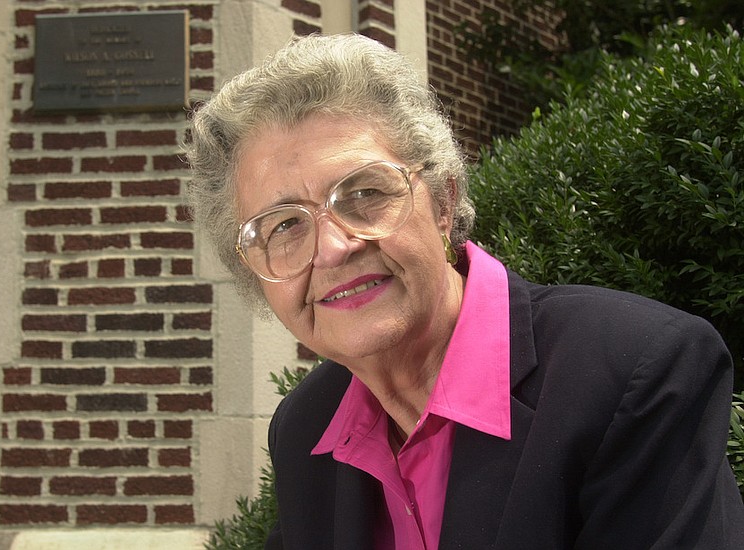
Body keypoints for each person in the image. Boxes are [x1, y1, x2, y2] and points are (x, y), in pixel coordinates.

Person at [187, 33, 744, 549]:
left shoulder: (636, 372)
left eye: (363, 193)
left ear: (445, 203)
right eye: (283, 226)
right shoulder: (306, 427)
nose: (333, 248)